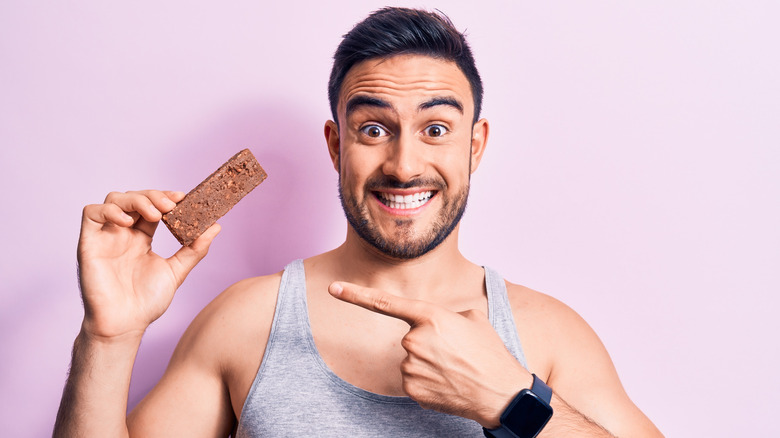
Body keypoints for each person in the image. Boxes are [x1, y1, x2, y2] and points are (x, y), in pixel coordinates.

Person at [54, 7, 663, 438]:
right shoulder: (246, 322)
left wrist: (511, 401)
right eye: (373, 129)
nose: (403, 165)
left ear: (474, 146)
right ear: (335, 144)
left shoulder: (547, 335)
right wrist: (108, 338)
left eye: (436, 129)